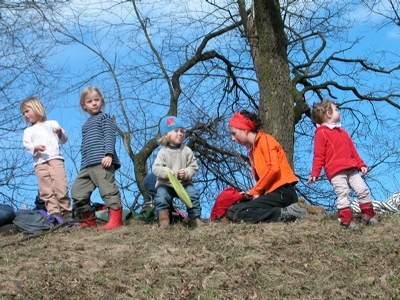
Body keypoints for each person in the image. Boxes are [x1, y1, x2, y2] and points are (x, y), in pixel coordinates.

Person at [226, 110, 308, 223]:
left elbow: (273, 169)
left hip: (282, 192)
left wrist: (254, 191)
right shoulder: (252, 151)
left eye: (234, 133)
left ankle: (287, 213)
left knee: (241, 212)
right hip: (270, 194)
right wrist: (252, 195)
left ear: (244, 129)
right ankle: (284, 212)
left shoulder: (265, 140)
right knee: (232, 211)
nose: (233, 138)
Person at [308, 99, 379, 229]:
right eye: (336, 109)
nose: (338, 111)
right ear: (328, 114)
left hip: (351, 168)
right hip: (335, 171)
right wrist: (315, 173)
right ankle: (346, 220)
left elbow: (353, 150)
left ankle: (368, 214)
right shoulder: (321, 133)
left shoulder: (343, 132)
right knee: (343, 192)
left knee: (362, 189)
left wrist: (361, 164)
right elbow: (319, 155)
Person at [71, 86, 122, 231]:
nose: (94, 103)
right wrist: (83, 165)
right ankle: (88, 221)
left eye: (96, 100)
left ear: (102, 101)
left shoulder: (105, 118)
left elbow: (109, 136)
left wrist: (108, 154)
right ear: (84, 106)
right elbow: (84, 146)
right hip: (87, 165)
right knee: (77, 191)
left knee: (108, 190)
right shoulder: (86, 124)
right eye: (89, 101)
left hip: (102, 163)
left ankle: (115, 221)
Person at [21, 97, 72, 222]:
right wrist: (35, 147)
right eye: (23, 113)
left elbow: (64, 139)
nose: (26, 115)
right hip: (40, 163)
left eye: (27, 111)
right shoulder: (28, 131)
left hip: (55, 159)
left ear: (36, 108)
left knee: (60, 186)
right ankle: (55, 213)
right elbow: (27, 145)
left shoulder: (52, 124)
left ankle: (67, 212)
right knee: (46, 190)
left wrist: (60, 133)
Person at [152, 116, 204, 229]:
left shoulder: (186, 150)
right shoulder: (163, 152)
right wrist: (166, 172)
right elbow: (156, 168)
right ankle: (164, 221)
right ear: (166, 135)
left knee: (193, 196)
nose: (180, 133)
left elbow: (194, 166)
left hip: (184, 183)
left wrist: (186, 172)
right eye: (176, 131)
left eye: (182, 131)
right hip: (166, 184)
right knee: (161, 197)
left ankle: (194, 218)